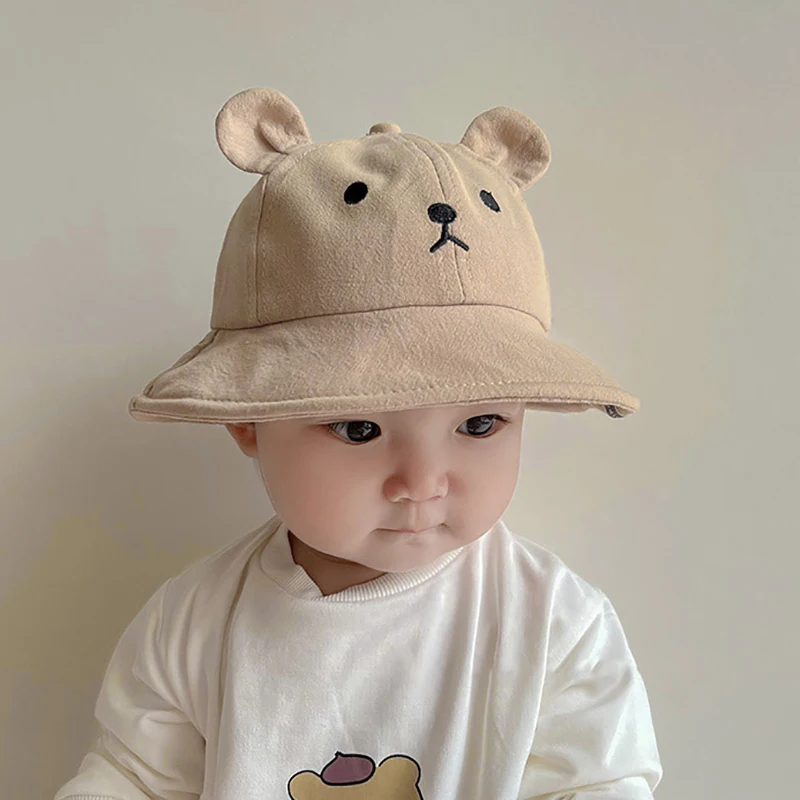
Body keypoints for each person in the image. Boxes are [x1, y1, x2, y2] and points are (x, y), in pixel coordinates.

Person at [54, 87, 663, 799]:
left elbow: (599, 783)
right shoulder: (194, 623)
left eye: (479, 425)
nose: (423, 480)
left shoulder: (554, 624)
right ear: (247, 420)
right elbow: (133, 778)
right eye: (360, 428)